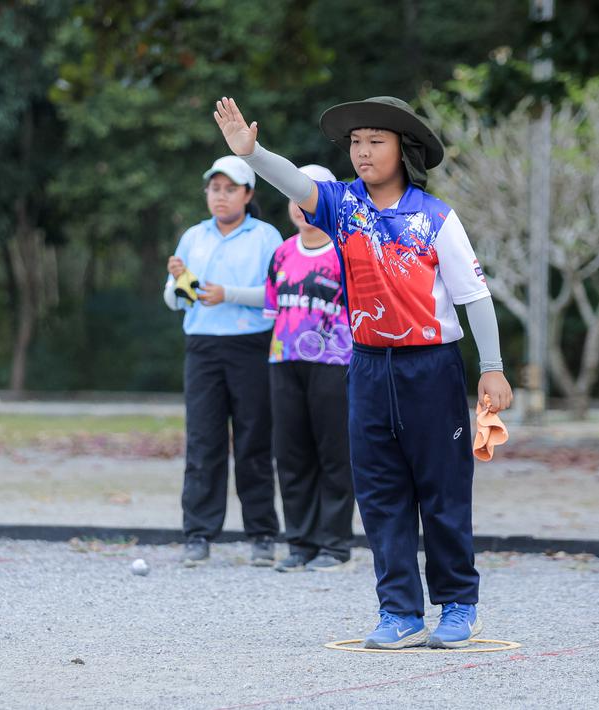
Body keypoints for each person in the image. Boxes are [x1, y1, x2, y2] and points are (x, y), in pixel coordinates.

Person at [213, 97, 514, 649]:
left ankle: (458, 605)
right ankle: (399, 610)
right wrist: (252, 153)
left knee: (442, 491)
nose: (363, 151)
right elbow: (294, 185)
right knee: (379, 493)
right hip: (368, 368)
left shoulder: (436, 217)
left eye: (376, 140)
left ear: (404, 149)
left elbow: (475, 297)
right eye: (355, 142)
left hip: (432, 369)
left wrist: (492, 369)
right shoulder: (342, 205)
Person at [163, 156, 283, 567]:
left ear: (248, 195)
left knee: (254, 442)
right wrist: (180, 279)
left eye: (230, 189)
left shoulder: (267, 236)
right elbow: (175, 299)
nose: (221, 196)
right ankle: (198, 534)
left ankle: (263, 534)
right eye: (215, 188)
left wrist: (228, 293)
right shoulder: (193, 237)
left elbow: (277, 295)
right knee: (203, 442)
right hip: (202, 347)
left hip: (250, 346)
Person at [264, 164, 355, 573]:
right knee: (291, 454)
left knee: (335, 454)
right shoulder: (281, 252)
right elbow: (272, 308)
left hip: (335, 363)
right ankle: (300, 543)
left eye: (310, 196)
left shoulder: (346, 249)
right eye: (295, 196)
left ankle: (335, 546)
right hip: (284, 361)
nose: (302, 206)